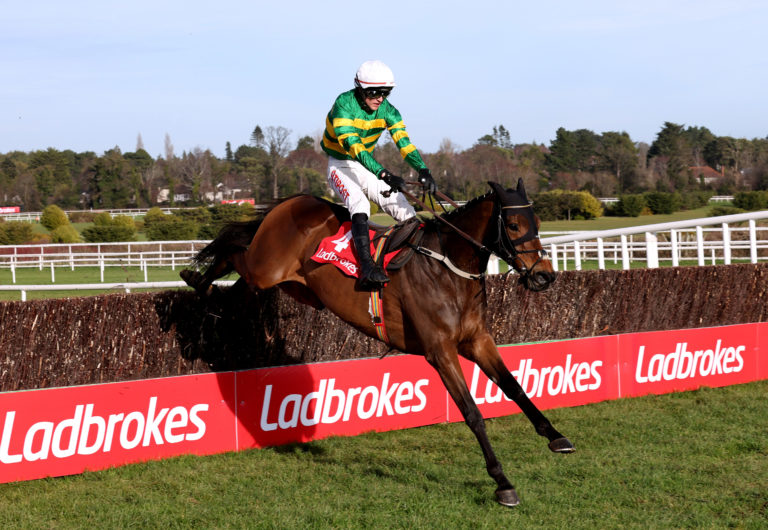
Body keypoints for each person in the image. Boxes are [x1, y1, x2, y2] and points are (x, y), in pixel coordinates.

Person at [322, 60, 436, 291]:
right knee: (360, 204)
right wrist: (384, 173)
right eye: (374, 92)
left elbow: (404, 143)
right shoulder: (343, 104)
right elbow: (354, 146)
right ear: (360, 89)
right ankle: (367, 269)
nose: (380, 98)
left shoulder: (389, 112)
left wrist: (423, 169)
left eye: (386, 93)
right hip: (341, 165)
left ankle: (420, 267)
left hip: (366, 167)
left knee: (405, 209)